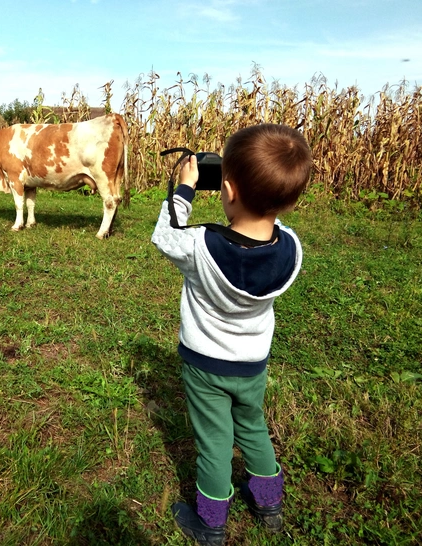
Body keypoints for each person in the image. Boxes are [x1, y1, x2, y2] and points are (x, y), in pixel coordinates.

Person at [151, 124, 312, 546]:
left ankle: (210, 524)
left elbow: (165, 234)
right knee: (253, 427)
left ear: (227, 189)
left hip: (205, 365)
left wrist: (184, 190)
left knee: (215, 444)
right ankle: (268, 502)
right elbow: (270, 230)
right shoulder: (291, 251)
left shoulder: (200, 246)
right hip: (252, 363)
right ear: (292, 199)